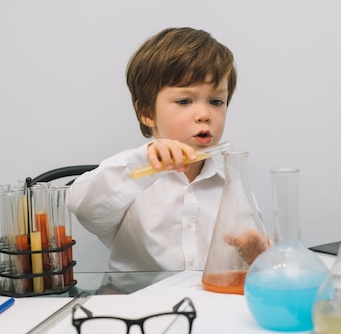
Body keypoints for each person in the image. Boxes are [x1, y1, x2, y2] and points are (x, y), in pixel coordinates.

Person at [69, 27, 267, 271]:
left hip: (209, 305)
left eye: (216, 101)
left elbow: (251, 259)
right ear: (147, 113)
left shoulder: (232, 184)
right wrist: (144, 161)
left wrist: (258, 255)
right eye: (184, 101)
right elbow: (83, 207)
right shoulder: (131, 175)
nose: (205, 114)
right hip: (138, 306)